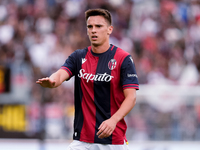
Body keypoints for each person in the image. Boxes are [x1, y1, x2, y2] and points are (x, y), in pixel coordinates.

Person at [36, 8, 139, 150]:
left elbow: (131, 98)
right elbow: (61, 74)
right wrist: (53, 81)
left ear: (109, 29)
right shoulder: (78, 57)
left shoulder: (123, 59)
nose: (93, 30)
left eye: (98, 26)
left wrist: (113, 120)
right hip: (82, 141)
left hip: (113, 141)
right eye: (90, 27)